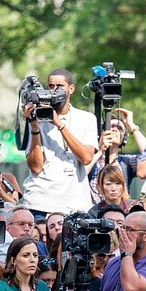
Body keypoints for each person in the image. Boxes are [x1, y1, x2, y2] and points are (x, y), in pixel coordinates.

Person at [21, 68, 99, 215]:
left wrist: (59, 124)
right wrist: (34, 126)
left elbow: (86, 158)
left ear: (71, 88)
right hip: (40, 202)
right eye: (50, 86)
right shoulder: (37, 116)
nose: (54, 91)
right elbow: (35, 167)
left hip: (74, 203)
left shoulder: (86, 118)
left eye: (59, 86)